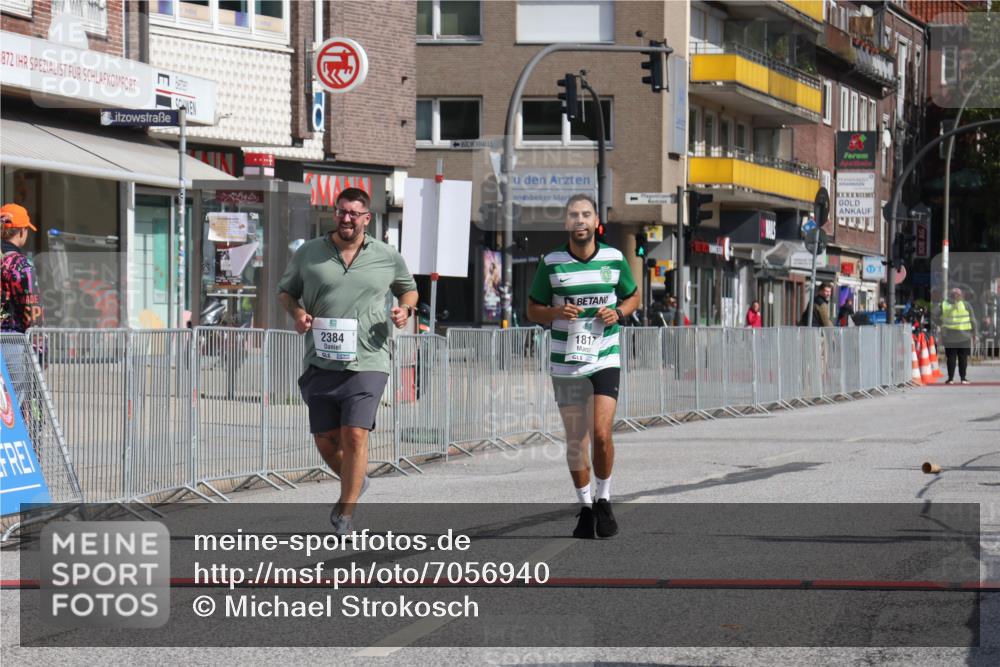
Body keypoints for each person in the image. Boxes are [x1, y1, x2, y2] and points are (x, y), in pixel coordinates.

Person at [277, 188, 418, 533]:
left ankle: (346, 511)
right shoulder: (309, 253)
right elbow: (286, 291)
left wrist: (405, 310)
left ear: (366, 218)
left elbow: (408, 288)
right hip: (321, 360)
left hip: (369, 357)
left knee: (354, 434)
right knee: (326, 439)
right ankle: (355, 480)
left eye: (354, 213)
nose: (346, 218)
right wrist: (297, 313)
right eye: (342, 211)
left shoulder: (386, 255)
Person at [527, 194, 640, 539]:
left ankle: (604, 498)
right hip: (566, 361)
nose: (580, 220)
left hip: (604, 356)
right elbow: (533, 308)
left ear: (595, 221)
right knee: (577, 440)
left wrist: (618, 312)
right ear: (566, 223)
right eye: (573, 215)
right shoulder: (552, 262)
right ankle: (586, 506)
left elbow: (633, 296)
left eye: (586, 214)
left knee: (602, 435)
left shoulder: (614, 258)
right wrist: (554, 313)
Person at [1, 203, 44, 428]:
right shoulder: (19, 264)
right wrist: (40, 344)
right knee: (13, 400)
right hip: (12, 340)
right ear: (21, 231)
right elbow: (30, 307)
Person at [937, 287, 977, 384]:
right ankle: (963, 378)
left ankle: (950, 379)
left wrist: (941, 327)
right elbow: (973, 321)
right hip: (964, 337)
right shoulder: (966, 305)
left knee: (951, 358)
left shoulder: (944, 305)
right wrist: (974, 334)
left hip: (949, 337)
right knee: (963, 358)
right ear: (961, 295)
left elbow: (936, 317)